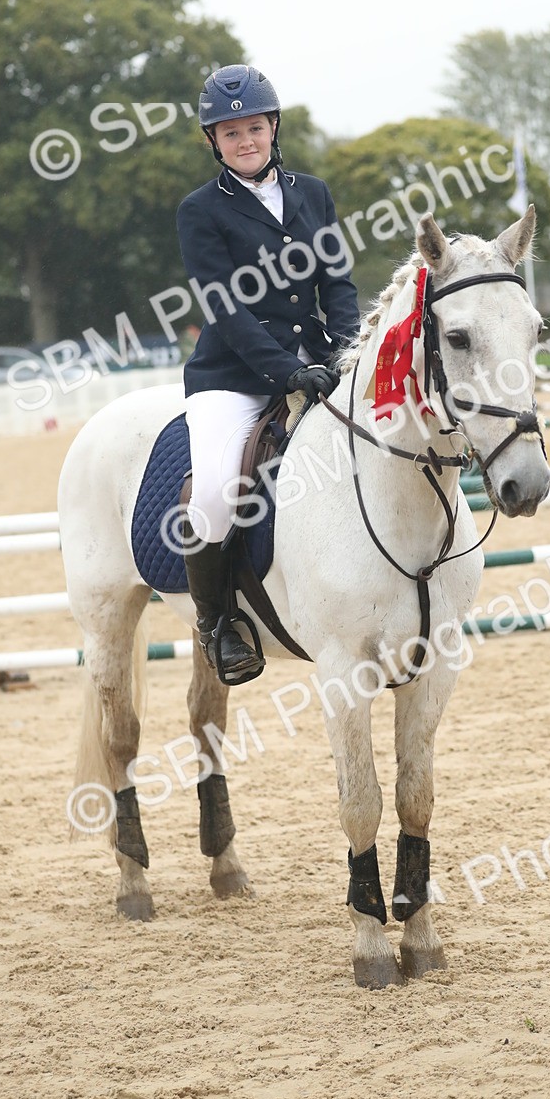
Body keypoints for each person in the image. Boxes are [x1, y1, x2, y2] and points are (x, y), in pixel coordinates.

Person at [176, 64, 360, 678]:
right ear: (213, 141)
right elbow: (224, 309)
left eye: (254, 128)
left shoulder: (314, 193)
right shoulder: (200, 210)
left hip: (315, 364)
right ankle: (218, 622)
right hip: (231, 375)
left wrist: (344, 352)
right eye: (230, 133)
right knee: (213, 494)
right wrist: (286, 370)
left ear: (273, 127)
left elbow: (337, 282)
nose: (244, 141)